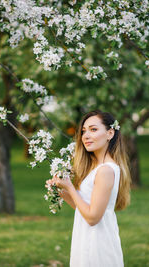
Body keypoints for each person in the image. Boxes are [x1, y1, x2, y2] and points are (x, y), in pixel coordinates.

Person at [49, 110, 131, 267]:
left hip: (99, 246)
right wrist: (62, 191)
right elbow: (85, 210)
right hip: (85, 240)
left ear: (110, 133)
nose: (85, 136)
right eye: (83, 131)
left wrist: (71, 188)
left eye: (93, 129)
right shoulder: (95, 168)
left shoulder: (106, 170)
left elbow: (93, 218)